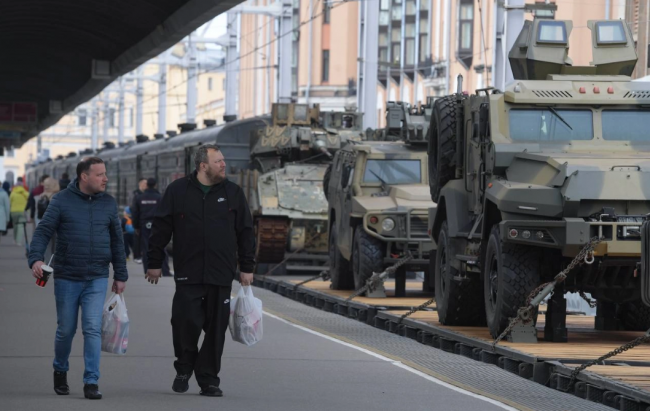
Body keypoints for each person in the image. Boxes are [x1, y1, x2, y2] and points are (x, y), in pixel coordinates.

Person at [145, 144, 255, 397]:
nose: (224, 164)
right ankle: (184, 367)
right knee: (185, 323)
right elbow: (161, 228)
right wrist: (154, 262)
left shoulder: (233, 193)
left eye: (223, 160)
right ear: (203, 165)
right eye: (218, 161)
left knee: (216, 330)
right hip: (189, 272)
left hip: (221, 273)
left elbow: (246, 232)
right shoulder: (178, 191)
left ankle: (209, 380)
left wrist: (246, 267)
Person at [28, 157, 128, 400]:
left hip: (96, 276)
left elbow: (117, 241)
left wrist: (120, 275)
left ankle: (91, 381)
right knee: (66, 330)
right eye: (100, 174)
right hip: (67, 276)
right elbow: (44, 231)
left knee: (92, 328)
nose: (105, 179)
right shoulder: (61, 201)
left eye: (105, 173)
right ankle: (60, 369)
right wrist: (36, 259)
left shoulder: (108, 203)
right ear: (84, 177)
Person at [132, 178, 171, 277]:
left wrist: (136, 226)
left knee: (146, 248)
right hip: (158, 224)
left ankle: (147, 270)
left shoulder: (139, 198)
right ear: (155, 185)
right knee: (161, 247)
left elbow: (135, 213)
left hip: (144, 224)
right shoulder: (160, 197)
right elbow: (165, 212)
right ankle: (165, 271)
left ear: (147, 185)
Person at [38, 177, 60, 263]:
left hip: (43, 222)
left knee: (46, 244)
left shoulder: (42, 195)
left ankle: (47, 262)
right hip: (55, 224)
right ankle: (54, 261)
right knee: (56, 244)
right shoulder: (57, 196)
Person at [9, 177, 29, 246]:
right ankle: (18, 241)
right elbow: (28, 202)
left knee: (15, 226)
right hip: (22, 211)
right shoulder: (25, 193)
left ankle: (14, 239)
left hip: (13, 211)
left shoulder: (13, 193)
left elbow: (10, 202)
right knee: (20, 226)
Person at [132, 177, 147, 264]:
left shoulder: (146, 194)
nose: (146, 185)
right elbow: (134, 210)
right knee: (137, 239)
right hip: (139, 220)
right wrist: (135, 224)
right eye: (144, 184)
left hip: (144, 220)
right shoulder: (136, 194)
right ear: (140, 184)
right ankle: (137, 256)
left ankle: (142, 255)